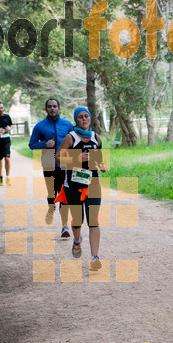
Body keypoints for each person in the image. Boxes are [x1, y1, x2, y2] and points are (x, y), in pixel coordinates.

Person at [56, 107, 107, 271]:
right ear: (75, 120)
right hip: (73, 185)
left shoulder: (96, 137)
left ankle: (95, 258)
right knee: (78, 221)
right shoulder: (71, 138)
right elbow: (57, 157)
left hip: (93, 184)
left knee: (94, 221)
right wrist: (76, 158)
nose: (84, 119)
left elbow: (98, 155)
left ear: (90, 119)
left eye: (86, 116)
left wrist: (101, 165)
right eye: (80, 117)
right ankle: (77, 241)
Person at [29, 98, 75, 238]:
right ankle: (51, 207)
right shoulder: (40, 126)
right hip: (48, 162)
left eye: (55, 106)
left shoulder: (67, 125)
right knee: (51, 193)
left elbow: (74, 143)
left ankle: (64, 226)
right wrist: (44, 144)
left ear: (59, 108)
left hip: (65, 163)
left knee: (64, 194)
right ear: (46, 109)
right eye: (49, 106)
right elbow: (32, 145)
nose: (52, 108)